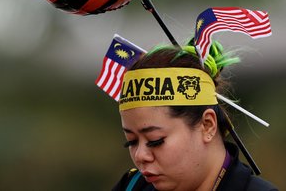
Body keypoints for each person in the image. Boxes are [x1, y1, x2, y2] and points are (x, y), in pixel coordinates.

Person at [112, 42, 277, 191]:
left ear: (207, 125)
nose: (140, 156)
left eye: (156, 140)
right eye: (131, 141)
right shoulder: (131, 186)